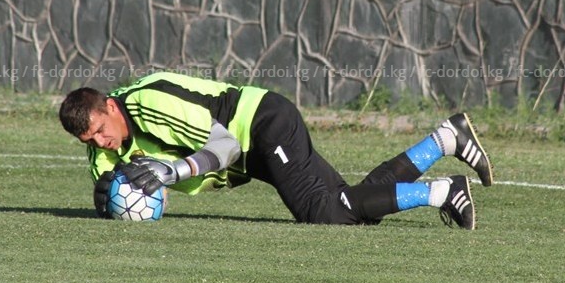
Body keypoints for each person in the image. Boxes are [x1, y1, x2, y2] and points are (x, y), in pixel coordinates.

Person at [59, 72, 494, 229]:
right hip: (255, 153)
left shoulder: (150, 103)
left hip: (261, 124)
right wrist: (108, 201)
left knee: (323, 213)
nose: (101, 143)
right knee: (351, 204)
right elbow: (114, 192)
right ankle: (445, 139)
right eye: (89, 142)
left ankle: (443, 192)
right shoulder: (101, 150)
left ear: (110, 106)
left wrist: (172, 172)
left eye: (100, 131)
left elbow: (226, 146)